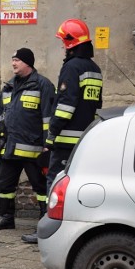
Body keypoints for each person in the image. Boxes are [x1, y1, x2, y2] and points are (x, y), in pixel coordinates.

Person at [0, 48, 55, 243]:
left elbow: (48, 118)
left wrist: (47, 144)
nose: (13, 63)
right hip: (9, 147)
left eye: (17, 60)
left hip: (33, 149)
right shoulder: (8, 86)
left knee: (40, 186)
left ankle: (44, 221)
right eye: (12, 60)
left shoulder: (43, 85)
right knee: (4, 184)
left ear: (28, 63)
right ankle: (7, 218)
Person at [46, 18, 103, 197]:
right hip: (85, 138)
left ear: (70, 42)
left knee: (56, 181)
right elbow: (97, 104)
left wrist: (51, 134)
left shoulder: (71, 68)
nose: (62, 46)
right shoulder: (95, 69)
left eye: (63, 42)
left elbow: (65, 106)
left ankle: (52, 220)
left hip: (65, 140)